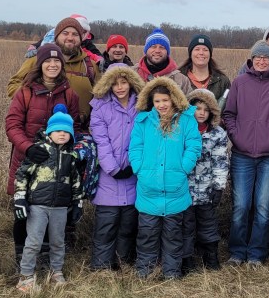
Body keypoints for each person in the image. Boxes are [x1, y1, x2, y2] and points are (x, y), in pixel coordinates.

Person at [5, 43, 81, 267]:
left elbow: (75, 126)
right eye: (48, 60)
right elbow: (12, 125)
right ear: (40, 64)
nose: (52, 65)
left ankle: (47, 259)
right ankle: (22, 260)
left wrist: (71, 151)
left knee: (52, 208)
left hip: (57, 163)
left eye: (57, 61)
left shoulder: (69, 94)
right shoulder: (25, 92)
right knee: (24, 210)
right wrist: (28, 147)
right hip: (27, 159)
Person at [222, 41, 269, 265]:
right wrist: (236, 136)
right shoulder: (240, 82)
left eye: (266, 58)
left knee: (263, 206)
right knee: (241, 205)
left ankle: (256, 253)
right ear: (251, 59)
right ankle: (237, 251)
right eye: (258, 57)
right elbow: (229, 114)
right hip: (242, 154)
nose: (262, 61)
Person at [129, 77, 202, 279]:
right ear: (151, 102)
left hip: (175, 189)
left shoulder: (186, 120)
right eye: (157, 101)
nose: (161, 105)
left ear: (173, 99)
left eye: (165, 100)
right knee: (147, 235)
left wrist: (183, 168)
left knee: (173, 236)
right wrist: (139, 168)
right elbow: (135, 147)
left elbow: (194, 145)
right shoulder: (143, 121)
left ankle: (171, 273)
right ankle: (145, 272)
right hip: (148, 189)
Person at [13, 106, 84, 292]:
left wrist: (78, 202)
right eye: (58, 130)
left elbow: (76, 180)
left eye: (66, 131)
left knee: (58, 242)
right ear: (49, 132)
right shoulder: (40, 151)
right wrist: (20, 198)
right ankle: (26, 276)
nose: (62, 134)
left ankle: (56, 272)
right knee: (33, 242)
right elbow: (22, 174)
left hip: (60, 207)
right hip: (38, 206)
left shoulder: (71, 155)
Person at [88, 63, 144, 270]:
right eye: (115, 83)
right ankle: (101, 266)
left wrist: (132, 165)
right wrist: (112, 168)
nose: (120, 87)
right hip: (108, 177)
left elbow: (142, 139)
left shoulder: (142, 106)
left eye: (124, 82)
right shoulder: (100, 107)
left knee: (128, 225)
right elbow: (101, 141)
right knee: (106, 225)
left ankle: (122, 264)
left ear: (131, 83)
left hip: (133, 174)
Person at [8, 16, 98, 126]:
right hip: (38, 129)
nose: (70, 38)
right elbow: (14, 84)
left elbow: (102, 96)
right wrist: (31, 100)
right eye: (65, 33)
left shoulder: (90, 66)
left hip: (77, 129)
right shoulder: (37, 59)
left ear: (81, 38)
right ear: (56, 36)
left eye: (75, 34)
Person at [184, 89, 230, 272]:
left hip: (206, 189)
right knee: (186, 225)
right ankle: (186, 260)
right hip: (184, 189)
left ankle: (211, 257)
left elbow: (220, 162)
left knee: (208, 224)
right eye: (197, 108)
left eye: (206, 109)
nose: (201, 113)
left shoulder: (217, 134)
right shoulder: (182, 130)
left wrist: (219, 186)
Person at [179, 34, 231, 110]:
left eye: (205, 50)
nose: (201, 53)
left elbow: (228, 110)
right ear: (190, 53)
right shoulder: (179, 78)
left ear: (210, 54)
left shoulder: (222, 81)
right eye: (197, 49)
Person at [137, 27, 193, 94]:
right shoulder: (133, 73)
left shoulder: (182, 80)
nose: (157, 51)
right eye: (153, 46)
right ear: (146, 50)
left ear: (167, 52)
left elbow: (189, 100)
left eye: (162, 47)